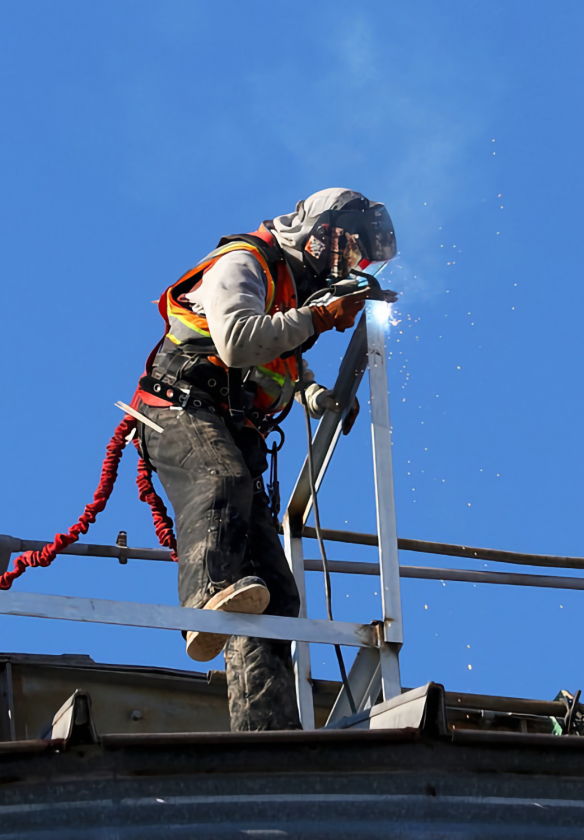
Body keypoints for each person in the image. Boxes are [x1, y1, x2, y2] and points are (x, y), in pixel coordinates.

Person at [131, 188, 397, 731]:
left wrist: (316, 396)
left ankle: (266, 729)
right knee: (221, 482)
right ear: (318, 233)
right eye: (346, 251)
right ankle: (203, 603)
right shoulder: (243, 262)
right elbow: (236, 344)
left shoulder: (286, 296)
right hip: (180, 409)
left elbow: (281, 365)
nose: (346, 265)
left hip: (229, 426)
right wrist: (319, 317)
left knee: (275, 596)